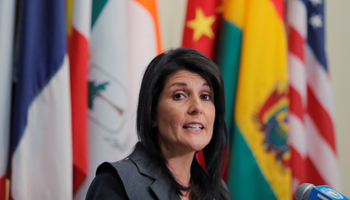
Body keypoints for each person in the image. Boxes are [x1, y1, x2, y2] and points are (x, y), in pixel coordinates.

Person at [86, 47, 231, 200]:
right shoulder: (115, 184)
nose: (197, 108)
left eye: (206, 96)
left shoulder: (219, 192)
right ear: (152, 113)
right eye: (179, 95)